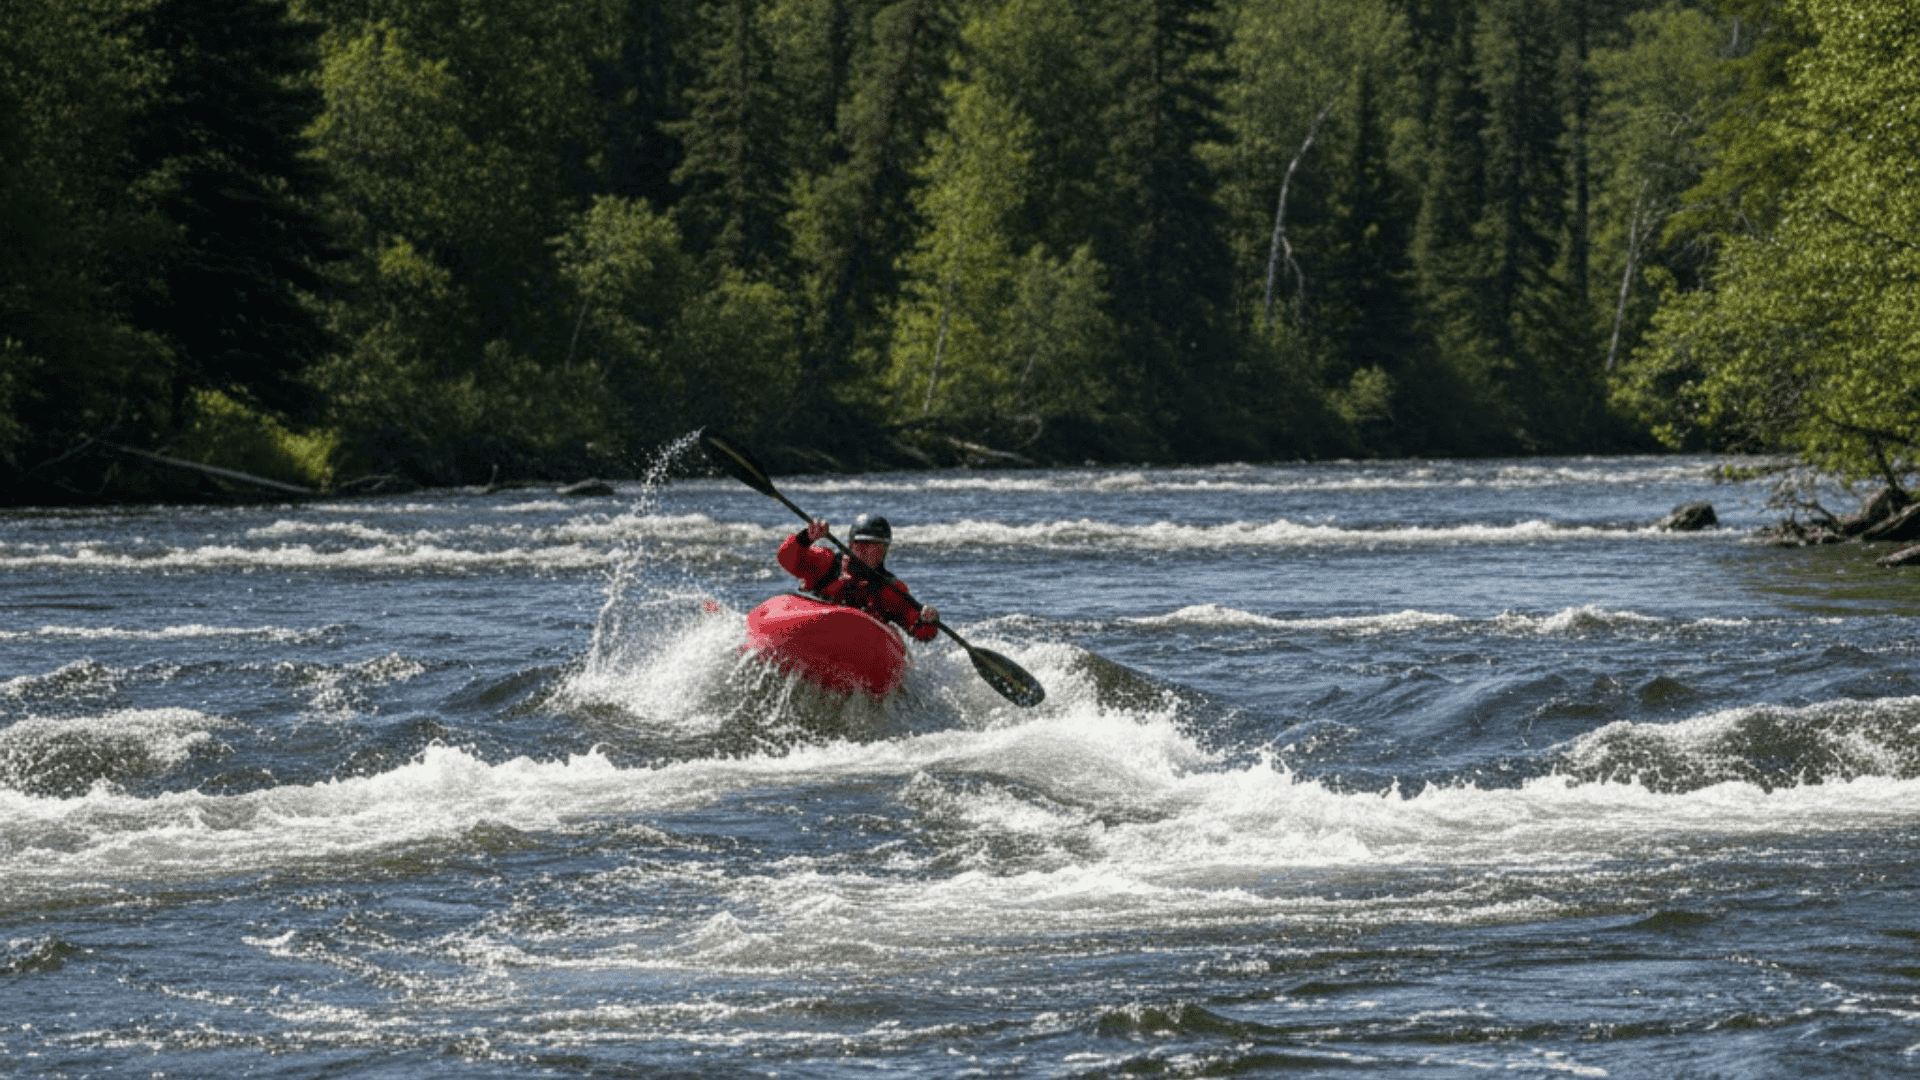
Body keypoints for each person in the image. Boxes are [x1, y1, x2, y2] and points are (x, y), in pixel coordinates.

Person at [777, 513, 940, 641]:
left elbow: (920, 631)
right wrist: (806, 537)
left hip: (860, 646)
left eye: (876, 547)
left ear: (885, 551)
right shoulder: (827, 563)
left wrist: (928, 621)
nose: (867, 552)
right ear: (850, 544)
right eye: (861, 545)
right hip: (813, 628)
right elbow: (786, 559)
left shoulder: (891, 589)